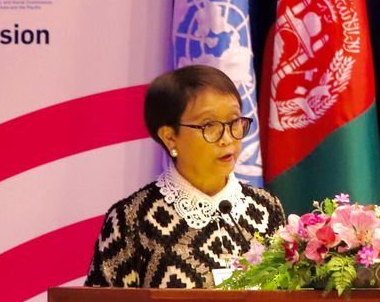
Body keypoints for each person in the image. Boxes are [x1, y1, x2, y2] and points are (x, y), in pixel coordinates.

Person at [85, 65, 285, 288]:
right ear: (170, 137)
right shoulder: (131, 220)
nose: (227, 138)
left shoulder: (266, 208)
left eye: (234, 122)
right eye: (209, 125)